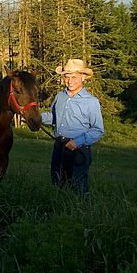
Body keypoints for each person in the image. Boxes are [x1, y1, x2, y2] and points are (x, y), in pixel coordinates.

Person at [40, 58, 104, 196]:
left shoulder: (91, 102)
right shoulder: (60, 97)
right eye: (67, 77)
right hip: (59, 147)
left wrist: (77, 142)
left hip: (79, 150)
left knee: (78, 187)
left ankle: (80, 212)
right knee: (57, 183)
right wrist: (37, 118)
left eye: (74, 77)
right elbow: (54, 117)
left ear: (83, 77)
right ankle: (59, 212)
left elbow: (98, 130)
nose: (70, 81)